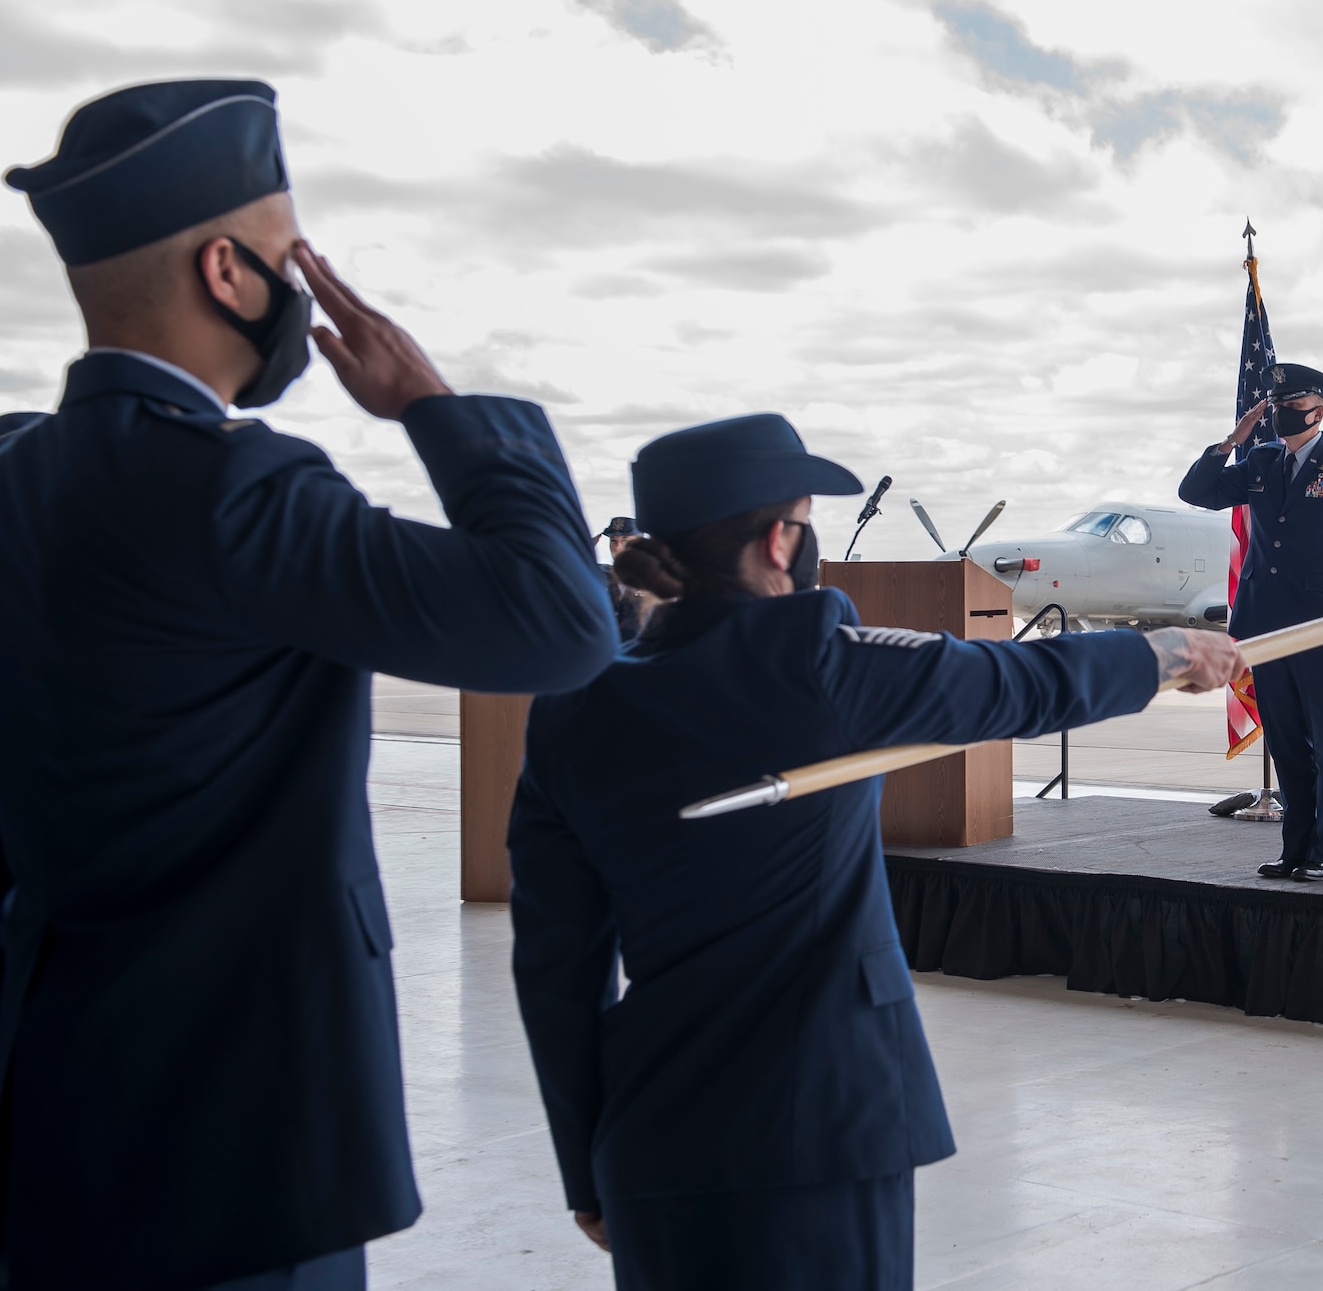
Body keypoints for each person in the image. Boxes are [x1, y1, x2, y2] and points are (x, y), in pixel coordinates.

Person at [0, 79, 617, 1289]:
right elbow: (556, 626)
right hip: (237, 1140)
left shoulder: (12, 477)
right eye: (293, 258)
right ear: (229, 272)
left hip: (58, 1106)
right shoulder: (231, 489)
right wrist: (435, 407)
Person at [507, 414, 1244, 1290]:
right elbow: (1024, 683)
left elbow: (555, 966)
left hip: (653, 1131)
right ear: (781, 542)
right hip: (825, 1125)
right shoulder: (822, 665)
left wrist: (585, 1162)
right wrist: (1164, 654)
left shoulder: (572, 711)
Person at [1178, 362, 1323, 882]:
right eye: (1275, 408)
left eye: (1291, 408)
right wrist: (1231, 441)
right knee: (1286, 741)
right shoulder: (1260, 462)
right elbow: (1197, 493)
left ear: (1318, 411)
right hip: (1265, 627)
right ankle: (1294, 849)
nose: (1280, 417)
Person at [596, 514, 655, 639]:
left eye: (625, 540)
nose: (617, 547)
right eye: (613, 541)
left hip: (644, 652)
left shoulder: (655, 578)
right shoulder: (599, 574)